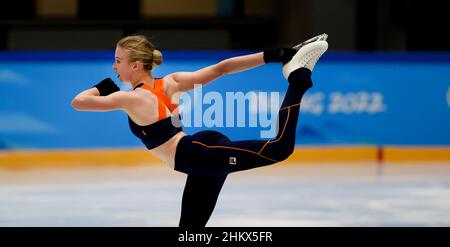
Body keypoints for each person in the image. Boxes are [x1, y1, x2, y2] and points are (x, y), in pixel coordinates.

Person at [71, 34, 328, 226]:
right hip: (200, 151)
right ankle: (293, 64)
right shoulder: (171, 82)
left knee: (280, 148)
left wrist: (101, 86)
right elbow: (222, 68)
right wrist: (276, 54)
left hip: (197, 154)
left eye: (118, 61)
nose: (114, 67)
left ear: (136, 65)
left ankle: (299, 78)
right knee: (190, 233)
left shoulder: (132, 99)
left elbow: (78, 102)